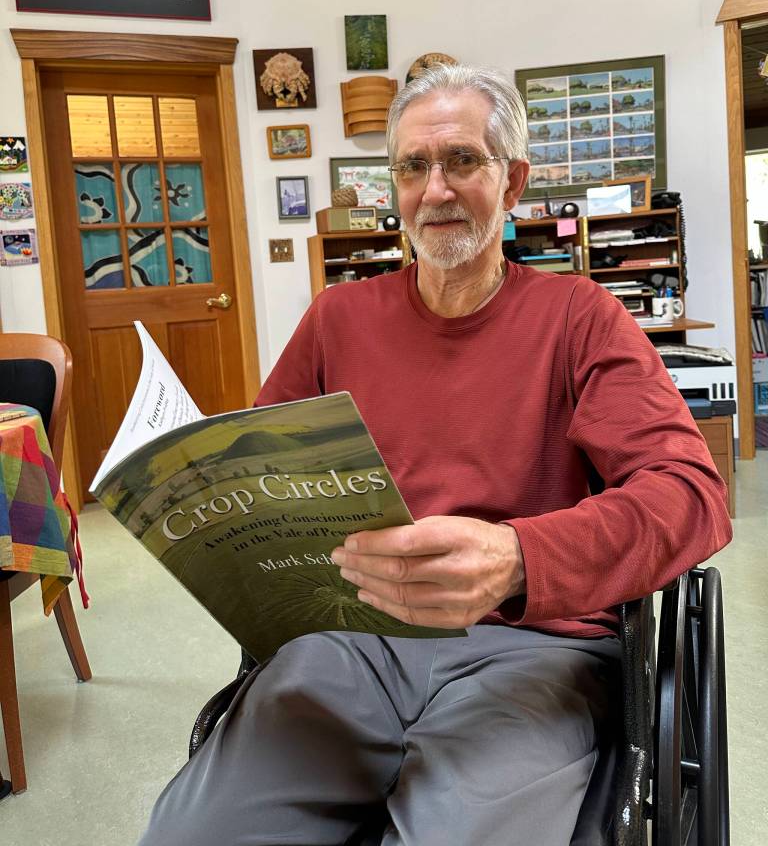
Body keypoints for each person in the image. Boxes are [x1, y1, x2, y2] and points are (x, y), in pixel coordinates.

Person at [139, 65, 732, 846]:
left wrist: (521, 557)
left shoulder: (580, 317)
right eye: (414, 167)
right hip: (346, 642)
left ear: (512, 181)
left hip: (530, 650)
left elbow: (691, 495)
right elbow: (258, 478)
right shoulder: (336, 319)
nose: (436, 190)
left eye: (462, 161)